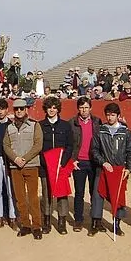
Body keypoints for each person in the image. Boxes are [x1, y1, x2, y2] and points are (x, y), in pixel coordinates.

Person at [90, 103, 131, 236]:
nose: (110, 118)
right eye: (108, 115)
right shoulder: (100, 130)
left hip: (119, 169)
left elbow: (130, 151)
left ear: (118, 116)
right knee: (98, 195)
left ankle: (116, 224)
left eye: (113, 115)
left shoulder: (126, 132)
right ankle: (95, 223)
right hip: (103, 168)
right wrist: (103, 162)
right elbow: (94, 150)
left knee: (118, 196)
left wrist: (129, 168)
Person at [3, 99, 44, 240]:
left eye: (21, 109)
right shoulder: (10, 127)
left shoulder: (34, 125)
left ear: (26, 110)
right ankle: (25, 225)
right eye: (16, 109)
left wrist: (24, 159)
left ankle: (37, 226)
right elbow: (6, 146)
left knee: (33, 198)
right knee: (20, 198)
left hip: (31, 165)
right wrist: (15, 159)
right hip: (15, 166)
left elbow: (38, 145)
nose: (19, 111)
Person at [38, 96, 74, 235]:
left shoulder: (65, 125)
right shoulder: (40, 126)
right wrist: (45, 162)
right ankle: (46, 222)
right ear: (45, 109)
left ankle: (61, 222)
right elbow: (38, 146)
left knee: (62, 194)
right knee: (46, 194)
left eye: (54, 107)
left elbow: (70, 146)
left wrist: (63, 162)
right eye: (49, 107)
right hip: (45, 166)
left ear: (58, 109)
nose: (52, 110)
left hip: (61, 166)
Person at [68, 97, 100, 232]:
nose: (84, 110)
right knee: (79, 193)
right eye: (81, 108)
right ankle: (78, 220)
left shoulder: (97, 121)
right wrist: (72, 160)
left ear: (90, 108)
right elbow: (68, 143)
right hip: (79, 162)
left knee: (95, 193)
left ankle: (95, 220)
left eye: (86, 107)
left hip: (94, 162)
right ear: (78, 109)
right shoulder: (72, 123)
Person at [0, 98, 17, 230]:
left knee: (11, 190)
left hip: (9, 160)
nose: (0, 112)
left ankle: (12, 217)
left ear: (7, 110)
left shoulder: (12, 125)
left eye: (2, 109)